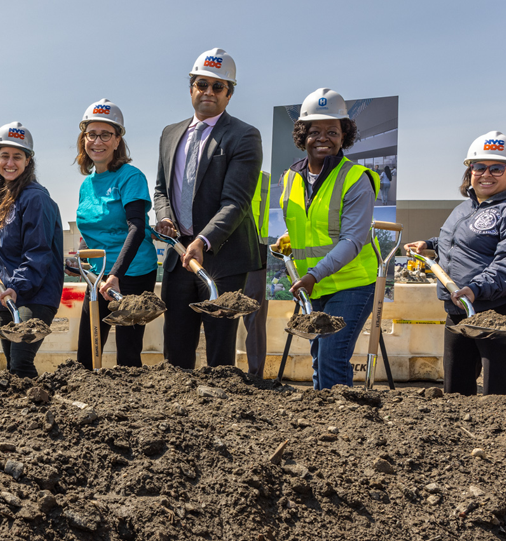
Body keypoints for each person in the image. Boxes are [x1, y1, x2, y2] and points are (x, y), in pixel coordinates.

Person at [404, 132, 506, 396]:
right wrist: (429, 244)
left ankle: (504, 436)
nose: (486, 174)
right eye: (479, 167)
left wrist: (475, 288)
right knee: (456, 385)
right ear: (469, 171)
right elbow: (464, 241)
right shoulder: (466, 208)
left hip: (504, 307)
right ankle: (458, 435)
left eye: (496, 168)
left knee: (498, 390)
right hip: (462, 305)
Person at [152, 48, 264, 369]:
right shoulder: (169, 134)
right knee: (176, 347)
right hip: (179, 260)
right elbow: (162, 190)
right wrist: (164, 217)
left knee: (219, 352)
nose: (208, 93)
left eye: (218, 87)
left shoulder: (244, 136)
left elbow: (236, 202)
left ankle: (220, 413)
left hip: (222, 261)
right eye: (202, 84)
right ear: (191, 88)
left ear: (229, 94)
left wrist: (202, 240)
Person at [279, 88, 380, 390]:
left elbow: (352, 240)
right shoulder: (290, 178)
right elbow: (312, 224)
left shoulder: (356, 178)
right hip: (316, 285)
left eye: (332, 131)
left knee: (332, 357)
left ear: (344, 135)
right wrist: (288, 239)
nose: (323, 138)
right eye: (315, 131)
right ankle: (322, 424)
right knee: (318, 356)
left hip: (352, 283)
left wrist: (312, 274)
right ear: (302, 136)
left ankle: (344, 425)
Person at [73, 99, 158, 367]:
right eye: (91, 134)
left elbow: (137, 227)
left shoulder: (130, 177)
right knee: (87, 352)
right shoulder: (87, 185)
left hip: (131, 273)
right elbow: (96, 226)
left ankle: (130, 407)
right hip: (98, 277)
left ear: (118, 139)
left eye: (106, 135)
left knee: (127, 355)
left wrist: (116, 275)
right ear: (83, 138)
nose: (97, 142)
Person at [0, 122, 62, 378]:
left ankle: (40, 414)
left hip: (34, 296)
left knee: (21, 363)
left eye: (17, 156)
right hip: (10, 293)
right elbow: (15, 246)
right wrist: (0, 264)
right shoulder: (4, 198)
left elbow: (38, 253)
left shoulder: (35, 198)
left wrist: (17, 284)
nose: (10, 162)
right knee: (13, 366)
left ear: (28, 161)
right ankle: (23, 414)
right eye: (4, 155)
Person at [240, 170, 272, 377]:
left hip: (257, 257)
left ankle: (255, 376)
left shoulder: (267, 180)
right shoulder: (216, 172)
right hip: (221, 254)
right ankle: (220, 373)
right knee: (221, 318)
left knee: (255, 322)